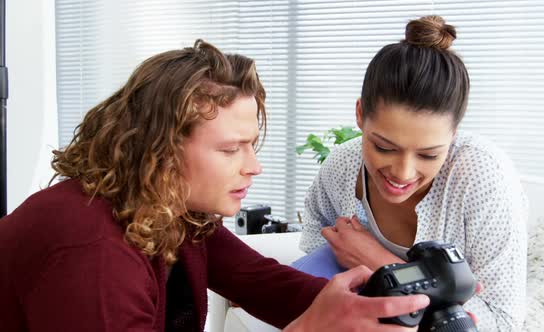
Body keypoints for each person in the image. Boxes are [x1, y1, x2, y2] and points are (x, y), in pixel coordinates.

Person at [0, 39, 431, 332]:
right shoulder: (90, 251)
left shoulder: (167, 210)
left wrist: (380, 310)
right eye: (231, 150)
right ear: (160, 150)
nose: (254, 167)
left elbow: (263, 282)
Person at [297, 15, 528, 331]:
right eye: (384, 147)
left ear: (454, 134)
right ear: (360, 114)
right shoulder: (343, 165)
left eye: (428, 154)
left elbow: (503, 319)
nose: (402, 173)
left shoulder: (482, 177)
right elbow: (314, 224)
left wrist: (380, 265)